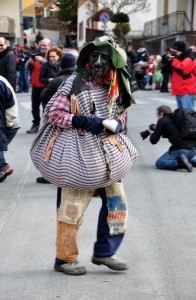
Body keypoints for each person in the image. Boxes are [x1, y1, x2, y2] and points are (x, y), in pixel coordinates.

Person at [40, 35, 138, 275]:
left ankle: (105, 252)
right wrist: (90, 122)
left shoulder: (115, 83)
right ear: (87, 58)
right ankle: (64, 259)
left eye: (104, 58)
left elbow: (122, 112)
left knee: (116, 205)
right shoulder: (74, 82)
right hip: (78, 156)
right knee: (70, 209)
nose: (98, 62)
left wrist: (118, 122)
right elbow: (54, 113)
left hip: (108, 157)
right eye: (94, 56)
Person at [36, 53, 77, 184]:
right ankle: (73, 174)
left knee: (52, 148)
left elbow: (43, 96)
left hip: (57, 122)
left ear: (62, 65)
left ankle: (50, 176)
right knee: (72, 149)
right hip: (76, 121)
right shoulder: (81, 79)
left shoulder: (56, 81)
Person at [146, 105, 196, 172]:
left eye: (157, 116)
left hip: (181, 151)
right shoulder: (178, 119)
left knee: (159, 163)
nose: (157, 118)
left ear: (161, 113)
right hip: (194, 150)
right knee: (184, 158)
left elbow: (153, 141)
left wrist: (151, 133)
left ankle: (180, 163)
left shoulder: (163, 120)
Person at [26, 38, 52, 134]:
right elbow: (27, 68)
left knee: (47, 108)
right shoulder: (36, 55)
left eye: (45, 45)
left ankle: (46, 126)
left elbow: (55, 66)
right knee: (34, 107)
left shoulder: (51, 56)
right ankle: (36, 124)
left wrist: (44, 60)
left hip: (47, 86)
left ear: (49, 46)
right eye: (41, 45)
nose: (42, 47)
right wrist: (30, 62)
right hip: (35, 86)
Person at [0, 76, 20, 182]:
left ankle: (3, 167)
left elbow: (11, 107)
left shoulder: (1, 82)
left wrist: (7, 125)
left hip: (9, 123)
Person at [169, 41, 196, 110]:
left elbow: (183, 69)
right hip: (179, 89)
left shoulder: (190, 57)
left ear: (177, 50)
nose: (172, 52)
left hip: (186, 89)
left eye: (174, 50)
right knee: (181, 114)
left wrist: (173, 60)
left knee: (187, 113)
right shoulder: (179, 58)